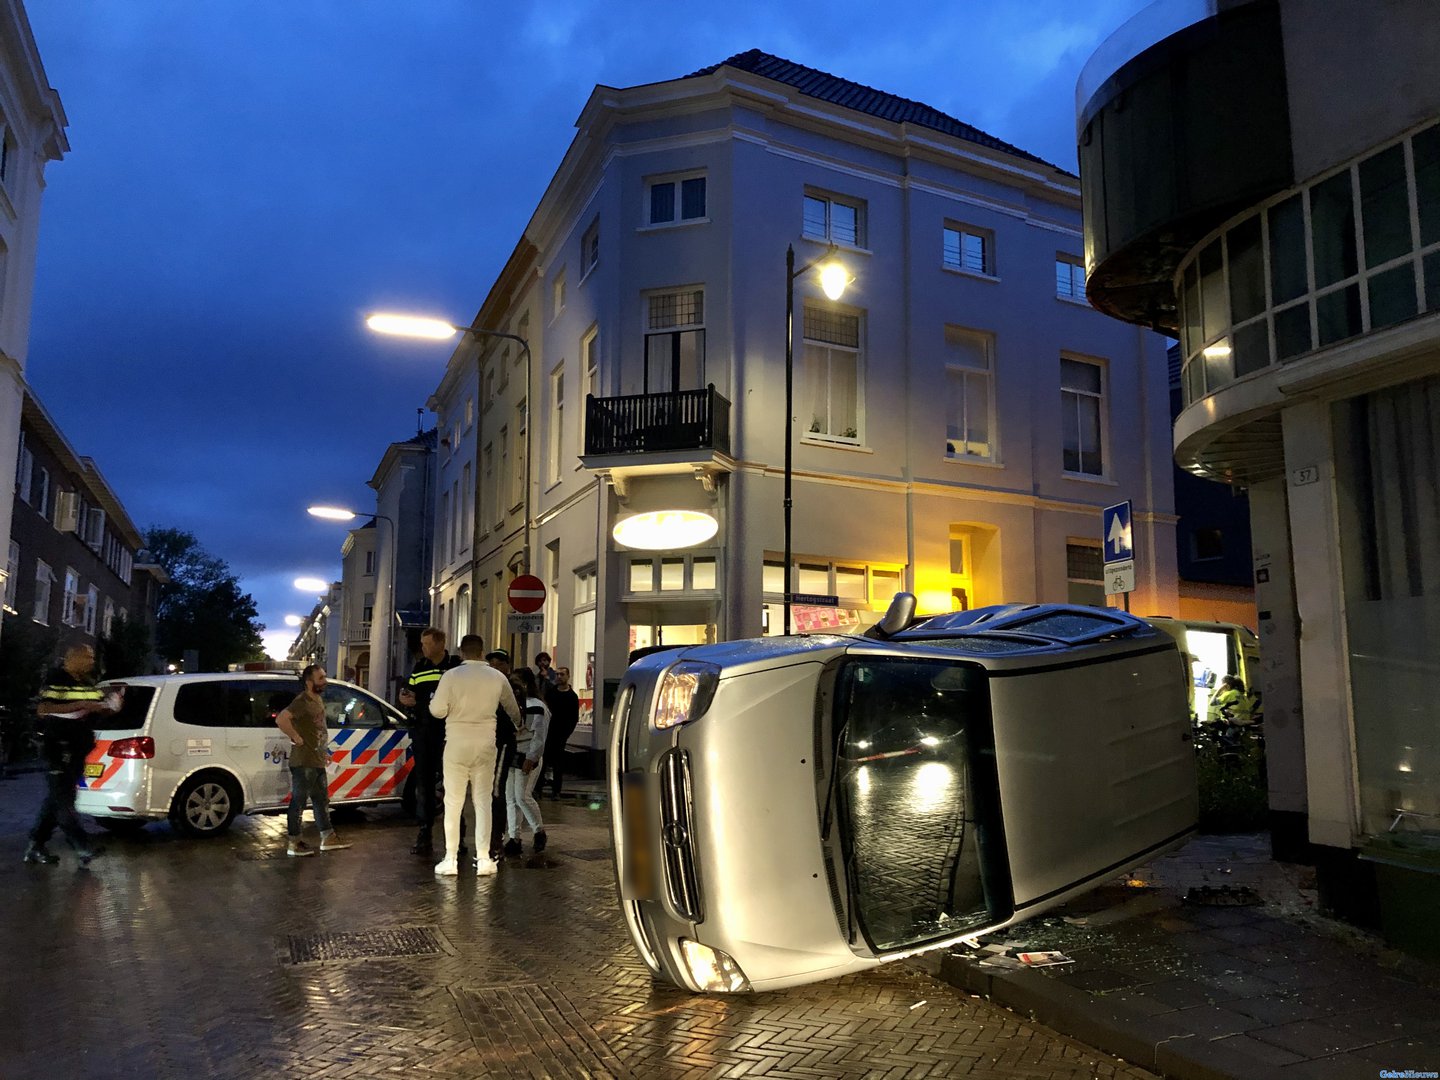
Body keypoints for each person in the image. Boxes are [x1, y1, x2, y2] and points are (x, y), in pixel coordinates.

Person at [429, 635, 522, 877]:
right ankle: (483, 858)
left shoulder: (450, 676)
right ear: (482, 652)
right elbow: (513, 710)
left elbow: (437, 711)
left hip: (456, 743)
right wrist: (519, 724)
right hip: (485, 744)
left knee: (453, 802)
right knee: (483, 801)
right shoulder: (497, 677)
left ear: (462, 652)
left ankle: (450, 859)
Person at [24, 644, 119, 866]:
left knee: (57, 799)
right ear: (73, 657)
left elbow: (96, 707)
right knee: (64, 801)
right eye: (88, 657)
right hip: (58, 747)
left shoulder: (87, 682)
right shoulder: (56, 678)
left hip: (77, 749)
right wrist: (81, 704)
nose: (92, 661)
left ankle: (36, 845)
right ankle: (81, 846)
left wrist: (111, 707)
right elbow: (43, 709)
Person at [397, 627, 461, 857]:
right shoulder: (420, 667)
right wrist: (404, 698)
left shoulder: (455, 667)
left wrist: (420, 702)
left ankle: (458, 836)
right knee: (423, 785)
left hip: (449, 733)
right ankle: (424, 832)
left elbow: (456, 700)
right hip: (424, 733)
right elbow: (410, 691)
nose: (423, 648)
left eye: (427, 644)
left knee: (453, 785)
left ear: (440, 644)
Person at [275, 664, 351, 857]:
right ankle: (294, 842)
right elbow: (281, 719)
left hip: (315, 759)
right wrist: (295, 736)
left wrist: (323, 752)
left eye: (324, 677)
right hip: (304, 761)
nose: (325, 681)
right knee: (299, 802)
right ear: (309, 682)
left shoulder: (317, 699)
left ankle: (328, 837)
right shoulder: (302, 701)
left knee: (321, 800)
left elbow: (316, 730)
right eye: (321, 678)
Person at [502, 666, 549, 856]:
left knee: (522, 797)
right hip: (513, 754)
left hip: (526, 755)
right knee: (511, 798)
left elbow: (539, 735)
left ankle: (538, 832)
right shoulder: (515, 704)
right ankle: (514, 838)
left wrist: (532, 757)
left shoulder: (536, 706)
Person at [485, 648, 518, 859]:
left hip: (503, 742)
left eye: (499, 664)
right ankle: (488, 836)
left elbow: (515, 715)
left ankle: (496, 840)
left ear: (507, 666)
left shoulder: (512, 687)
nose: (495, 668)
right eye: (492, 664)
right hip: (485, 742)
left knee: (496, 790)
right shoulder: (484, 684)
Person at [541, 666, 579, 800]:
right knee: (543, 761)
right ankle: (538, 789)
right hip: (547, 732)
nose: (559, 677)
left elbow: (574, 717)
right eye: (557, 674)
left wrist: (566, 733)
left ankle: (556, 790)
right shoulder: (551, 693)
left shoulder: (572, 696)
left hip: (561, 734)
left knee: (558, 763)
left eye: (562, 674)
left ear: (568, 676)